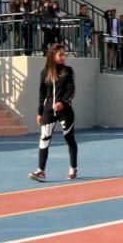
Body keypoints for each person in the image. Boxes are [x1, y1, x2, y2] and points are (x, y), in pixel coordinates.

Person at [29, 43, 78, 181]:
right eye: (60, 54)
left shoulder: (68, 70)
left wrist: (62, 103)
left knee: (70, 139)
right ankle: (40, 171)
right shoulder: (44, 72)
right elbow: (42, 94)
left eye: (64, 54)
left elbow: (71, 90)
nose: (63, 57)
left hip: (65, 111)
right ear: (52, 56)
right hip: (48, 111)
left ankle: (73, 169)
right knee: (44, 139)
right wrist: (40, 112)